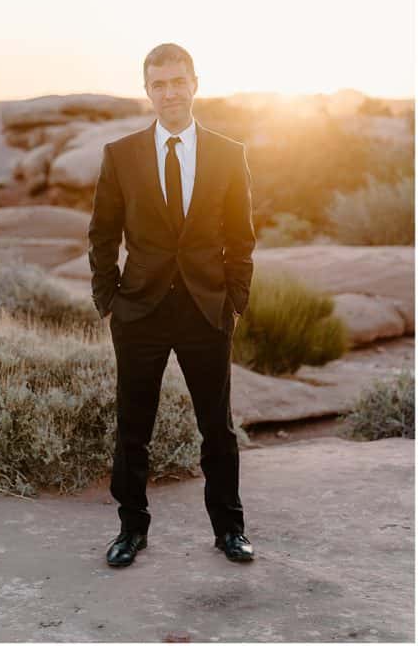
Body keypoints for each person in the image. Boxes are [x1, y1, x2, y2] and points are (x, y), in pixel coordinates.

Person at [87, 42, 256, 567]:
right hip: (140, 311)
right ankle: (130, 531)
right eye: (158, 84)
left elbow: (242, 237)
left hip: (207, 310)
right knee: (133, 427)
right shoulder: (121, 155)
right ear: (147, 91)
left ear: (194, 83)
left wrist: (234, 301)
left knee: (217, 428)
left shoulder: (229, 153)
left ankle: (230, 530)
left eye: (177, 81)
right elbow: (102, 234)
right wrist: (107, 299)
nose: (169, 93)